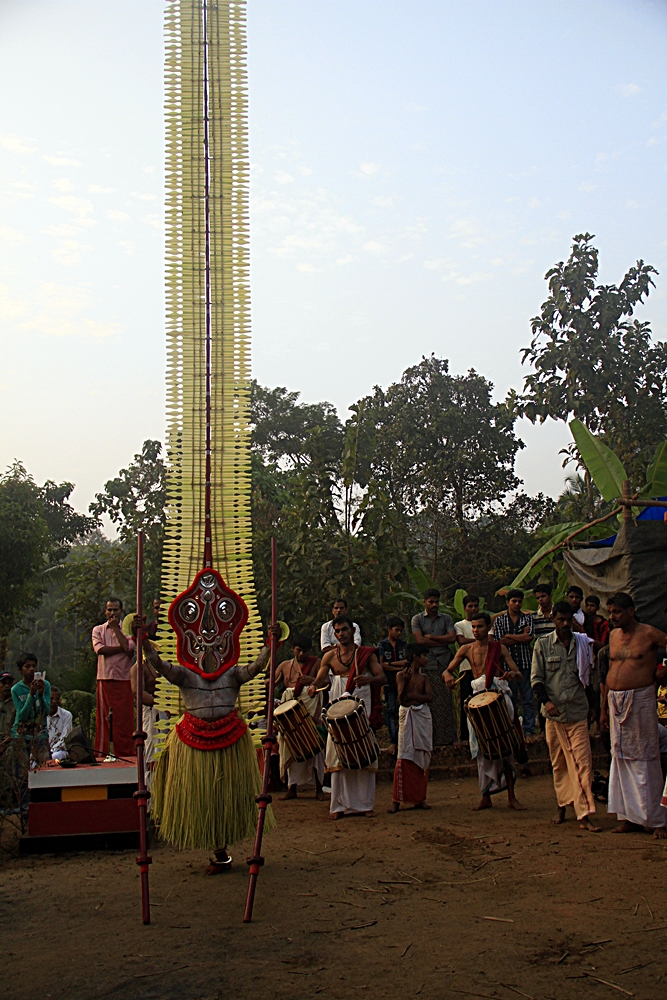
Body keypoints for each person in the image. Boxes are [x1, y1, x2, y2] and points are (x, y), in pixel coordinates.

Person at [142, 621, 281, 874]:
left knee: (226, 794)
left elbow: (258, 667)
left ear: (224, 648)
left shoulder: (232, 674)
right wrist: (142, 642)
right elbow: (159, 666)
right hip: (193, 741)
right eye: (201, 645)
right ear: (192, 649)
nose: (209, 650)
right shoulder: (185, 674)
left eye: (216, 646)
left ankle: (223, 847)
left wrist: (270, 644)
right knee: (204, 796)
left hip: (231, 739)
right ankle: (218, 850)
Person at [600, 592, 667, 839]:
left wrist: (664, 671)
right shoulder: (613, 635)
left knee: (646, 757)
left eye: (617, 611)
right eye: (610, 612)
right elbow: (610, 670)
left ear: (631, 610)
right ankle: (629, 817)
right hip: (614, 701)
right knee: (620, 758)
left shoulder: (649, 633)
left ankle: (658, 820)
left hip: (640, 699)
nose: (613, 617)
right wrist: (604, 710)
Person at [531, 601, 601, 833]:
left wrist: (593, 707)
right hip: (554, 715)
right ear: (553, 619)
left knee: (583, 763)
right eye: (560, 619)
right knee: (559, 763)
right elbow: (537, 680)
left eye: (568, 620)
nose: (564, 624)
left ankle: (584, 813)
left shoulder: (582, 644)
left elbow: (588, 678)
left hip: (578, 712)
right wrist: (547, 702)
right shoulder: (542, 645)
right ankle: (563, 805)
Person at [308, 615, 386, 819]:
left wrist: (368, 678)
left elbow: (382, 677)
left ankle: (365, 804)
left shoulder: (366, 654)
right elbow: (319, 680)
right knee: (338, 749)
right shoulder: (329, 657)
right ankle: (339, 805)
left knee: (362, 746)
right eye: (337, 631)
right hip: (337, 701)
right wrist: (312, 687)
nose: (341, 634)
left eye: (344, 630)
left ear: (352, 630)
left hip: (361, 699)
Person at [445, 612, 524, 811]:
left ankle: (512, 797)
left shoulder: (500, 648)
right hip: (477, 700)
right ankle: (485, 796)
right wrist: (448, 678)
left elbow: (519, 674)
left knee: (505, 746)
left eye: (480, 627)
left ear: (488, 627)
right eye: (473, 627)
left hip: (497, 697)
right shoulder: (465, 649)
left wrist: (511, 674)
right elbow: (448, 670)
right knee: (481, 749)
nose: (475, 631)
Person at [273, 634, 324, 801]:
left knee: (314, 743)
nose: (302, 654)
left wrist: (313, 681)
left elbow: (325, 684)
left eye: (306, 651)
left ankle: (319, 788)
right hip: (289, 710)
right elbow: (274, 682)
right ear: (292, 649)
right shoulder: (284, 665)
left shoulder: (317, 664)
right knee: (288, 744)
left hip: (310, 707)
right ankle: (291, 787)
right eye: (299, 650)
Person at [389, 645, 433, 813]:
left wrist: (413, 696)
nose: (426, 659)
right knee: (405, 755)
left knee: (422, 756)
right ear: (416, 657)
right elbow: (401, 699)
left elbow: (429, 698)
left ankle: (419, 798)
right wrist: (407, 682)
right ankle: (397, 800)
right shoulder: (401, 675)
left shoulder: (424, 678)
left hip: (421, 716)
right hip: (408, 716)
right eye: (424, 655)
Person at [411, 589, 457, 746]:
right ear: (424, 602)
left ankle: (448, 739)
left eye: (436, 602)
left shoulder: (446, 618)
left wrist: (432, 637)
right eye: (431, 602)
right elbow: (420, 641)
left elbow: (452, 638)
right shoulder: (417, 619)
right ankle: (430, 740)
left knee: (445, 702)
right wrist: (442, 641)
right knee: (429, 702)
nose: (434, 605)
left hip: (445, 665)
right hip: (427, 664)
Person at [92, 598, 136, 759]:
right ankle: (102, 752)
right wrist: (122, 649)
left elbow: (129, 647)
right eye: (109, 610)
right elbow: (100, 650)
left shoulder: (128, 629)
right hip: (105, 678)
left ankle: (124, 751)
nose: (112, 613)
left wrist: (116, 629)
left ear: (121, 611)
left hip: (124, 679)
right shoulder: (98, 630)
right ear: (105, 611)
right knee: (104, 718)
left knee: (124, 718)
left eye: (115, 610)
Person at [492, 589, 536, 739]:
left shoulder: (527, 618)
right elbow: (499, 641)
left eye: (519, 601)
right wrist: (520, 636)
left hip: (525, 663)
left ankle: (529, 729)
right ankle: (513, 729)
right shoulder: (499, 620)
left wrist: (509, 636)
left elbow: (528, 637)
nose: (517, 604)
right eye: (514, 601)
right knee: (510, 700)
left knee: (527, 698)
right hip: (507, 667)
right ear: (507, 603)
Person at [130, 643, 160, 790]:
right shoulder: (138, 668)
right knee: (152, 754)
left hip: (165, 713)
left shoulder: (162, 666)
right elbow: (138, 693)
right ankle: (152, 799)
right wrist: (158, 704)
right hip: (150, 713)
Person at [377, 615, 408, 755]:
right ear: (389, 629)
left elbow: (407, 662)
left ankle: (404, 740)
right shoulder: (382, 645)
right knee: (390, 711)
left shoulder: (403, 645)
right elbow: (381, 664)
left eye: (401, 630)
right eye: (396, 630)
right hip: (389, 682)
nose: (399, 633)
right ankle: (393, 741)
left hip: (404, 682)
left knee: (404, 709)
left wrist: (391, 665)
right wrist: (397, 667)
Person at [11, 653, 51, 758]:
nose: (32, 669)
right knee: (22, 768)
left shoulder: (45, 685)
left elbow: (46, 712)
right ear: (20, 670)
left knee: (44, 765)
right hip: (21, 735)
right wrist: (31, 695)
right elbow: (22, 716)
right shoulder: (16, 689)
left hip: (40, 734)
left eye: (34, 666)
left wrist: (41, 694)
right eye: (27, 666)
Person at [454, 595, 480, 741]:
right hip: (466, 669)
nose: (473, 609)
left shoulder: (484, 622)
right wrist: (479, 640)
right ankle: (464, 736)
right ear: (464, 608)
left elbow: (489, 640)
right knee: (466, 702)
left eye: (475, 605)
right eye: (470, 606)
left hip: (482, 669)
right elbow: (461, 641)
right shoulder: (460, 625)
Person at [46, 688, 73, 760]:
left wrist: (51, 750)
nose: (54, 702)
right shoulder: (40, 715)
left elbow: (64, 738)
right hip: (42, 751)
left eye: (56, 699)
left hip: (60, 751)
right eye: (51, 699)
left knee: (54, 756)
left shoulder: (66, 715)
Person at [0, 672, 15, 739]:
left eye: (9, 683)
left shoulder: (16, 702)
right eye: (4, 683)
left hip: (10, 740)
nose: (7, 686)